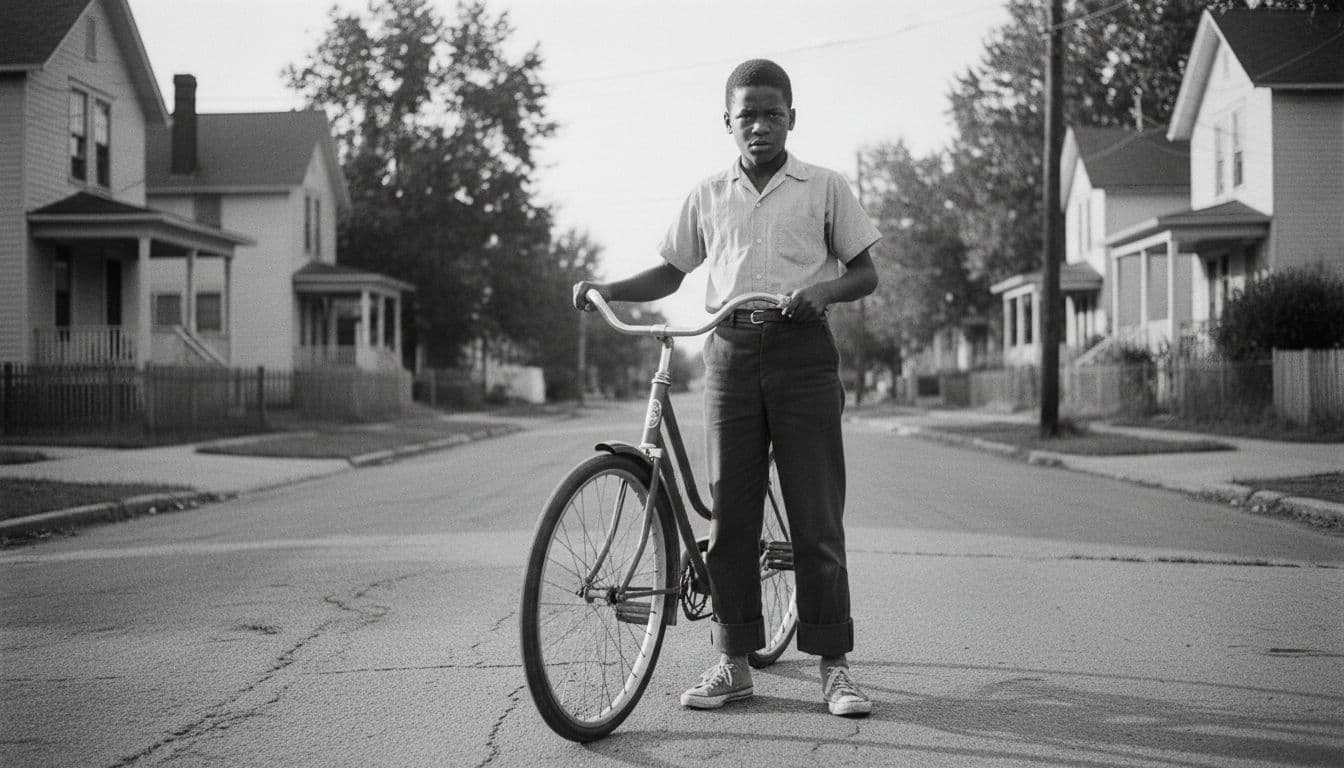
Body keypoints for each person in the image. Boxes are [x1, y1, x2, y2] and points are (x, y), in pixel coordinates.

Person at [572, 58, 880, 717]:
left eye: (773, 114)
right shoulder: (709, 194)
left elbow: (864, 273)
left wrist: (821, 290)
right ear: (728, 124)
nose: (760, 126)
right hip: (730, 351)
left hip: (803, 351)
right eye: (748, 116)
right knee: (731, 519)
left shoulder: (824, 187)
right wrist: (607, 288)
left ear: (792, 118)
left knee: (816, 516)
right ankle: (733, 663)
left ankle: (835, 667)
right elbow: (669, 272)